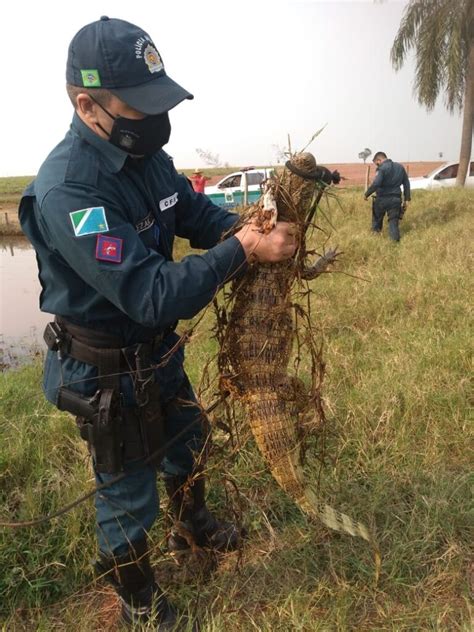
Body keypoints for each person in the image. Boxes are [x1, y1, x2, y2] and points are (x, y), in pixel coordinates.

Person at [19, 17, 296, 630]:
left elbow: (195, 210)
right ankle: (139, 601)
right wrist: (243, 250)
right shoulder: (70, 192)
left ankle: (192, 527)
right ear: (87, 105)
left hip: (158, 354)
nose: (154, 120)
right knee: (126, 492)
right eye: (138, 108)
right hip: (105, 370)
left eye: (158, 104)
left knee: (187, 440)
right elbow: (150, 293)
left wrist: (247, 227)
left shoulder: (146, 156)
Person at [364, 151, 411, 242]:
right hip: (396, 199)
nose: (377, 166)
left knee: (377, 222)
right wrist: (407, 199)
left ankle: (375, 242)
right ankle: (394, 244)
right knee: (393, 222)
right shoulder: (400, 167)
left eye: (376, 163)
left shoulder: (381, 169)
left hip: (381, 199)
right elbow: (406, 183)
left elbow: (376, 184)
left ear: (379, 160)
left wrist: (367, 194)